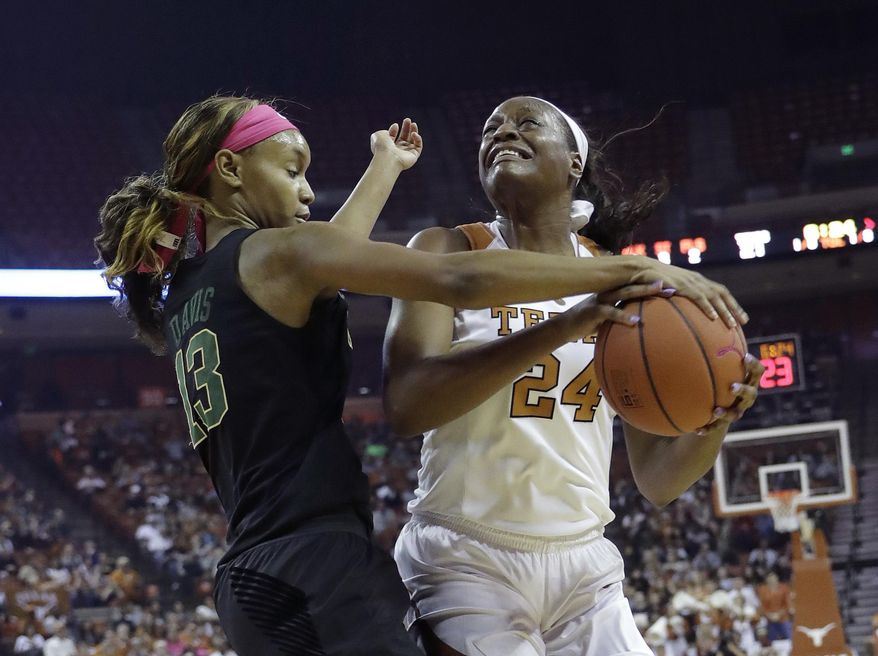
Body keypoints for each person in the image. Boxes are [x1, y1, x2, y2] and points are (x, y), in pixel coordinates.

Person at [94, 95, 741, 655]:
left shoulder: (204, 282)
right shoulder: (317, 252)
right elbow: (449, 291)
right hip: (398, 557)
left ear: (574, 163)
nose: (308, 193)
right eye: (293, 170)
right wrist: (622, 277)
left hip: (315, 556)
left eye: (527, 124)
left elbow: (328, 256)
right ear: (230, 170)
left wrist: (384, 168)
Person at [384, 96, 763, 655]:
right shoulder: (447, 248)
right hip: (464, 554)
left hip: (584, 563)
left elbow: (657, 480)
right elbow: (406, 405)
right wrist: (565, 325)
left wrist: (715, 418)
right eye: (491, 127)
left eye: (526, 122)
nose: (501, 132)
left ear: (573, 164)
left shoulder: (618, 280)